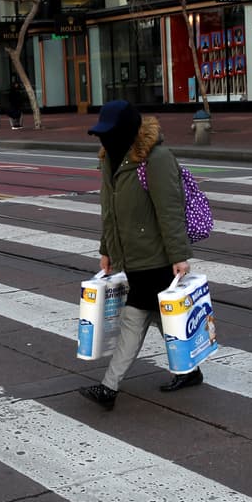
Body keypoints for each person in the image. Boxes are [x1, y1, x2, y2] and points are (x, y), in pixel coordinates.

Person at [79, 100, 199, 410]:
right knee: (160, 317)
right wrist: (106, 250)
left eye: (110, 133)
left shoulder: (156, 159)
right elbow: (109, 212)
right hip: (131, 256)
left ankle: (109, 388)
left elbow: (169, 210)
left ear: (128, 131)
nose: (104, 140)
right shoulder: (109, 158)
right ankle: (190, 369)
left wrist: (179, 255)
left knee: (134, 318)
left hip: (154, 256)